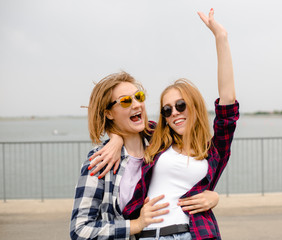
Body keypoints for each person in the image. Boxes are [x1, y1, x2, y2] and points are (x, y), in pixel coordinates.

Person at [90, 9, 239, 239]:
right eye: (167, 110)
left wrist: (221, 37)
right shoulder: (158, 140)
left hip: (193, 234)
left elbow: (228, 106)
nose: (174, 113)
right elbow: (128, 125)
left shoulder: (214, 151)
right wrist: (116, 139)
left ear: (195, 106)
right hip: (150, 234)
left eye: (181, 105)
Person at [70, 67, 219, 239]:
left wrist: (213, 196)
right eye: (126, 101)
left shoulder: (160, 142)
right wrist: (136, 224)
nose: (137, 104)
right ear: (109, 113)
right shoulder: (100, 161)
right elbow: (79, 229)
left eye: (139, 97)